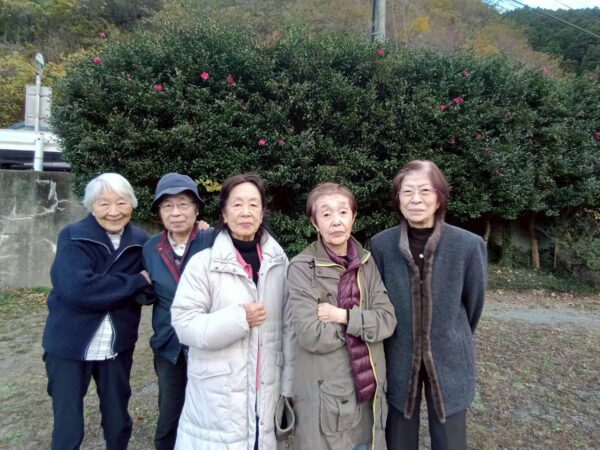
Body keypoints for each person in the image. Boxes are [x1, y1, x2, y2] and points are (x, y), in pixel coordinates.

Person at [171, 173, 295, 449]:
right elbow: (184, 325)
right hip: (219, 396)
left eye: (253, 204)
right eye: (237, 204)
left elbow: (289, 328)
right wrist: (239, 319)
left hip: (267, 390)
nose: (246, 212)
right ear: (224, 214)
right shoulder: (203, 264)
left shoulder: (279, 263)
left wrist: (288, 386)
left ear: (263, 212)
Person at [370, 160, 487, 450]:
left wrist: (449, 332)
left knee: (450, 440)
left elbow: (473, 304)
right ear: (398, 199)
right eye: (407, 191)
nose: (416, 199)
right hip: (398, 354)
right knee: (398, 438)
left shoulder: (468, 246)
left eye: (425, 190)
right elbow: (378, 300)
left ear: (439, 197)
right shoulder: (381, 245)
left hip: (449, 356)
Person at [42, 172, 152, 450]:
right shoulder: (73, 236)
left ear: (132, 204)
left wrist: (126, 287)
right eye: (104, 204)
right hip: (68, 345)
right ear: (91, 206)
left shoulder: (140, 240)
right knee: (68, 426)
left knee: (118, 420)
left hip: (116, 345)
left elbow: (152, 288)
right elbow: (80, 290)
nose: (114, 212)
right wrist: (134, 281)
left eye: (121, 203)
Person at [287, 182, 397, 450]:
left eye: (343, 212)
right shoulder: (302, 267)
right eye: (326, 214)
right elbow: (311, 334)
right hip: (326, 394)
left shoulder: (366, 263)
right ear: (315, 223)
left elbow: (387, 321)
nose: (336, 221)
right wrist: (364, 324)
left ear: (353, 217)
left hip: (368, 391)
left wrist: (343, 316)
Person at [142, 173, 213, 450]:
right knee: (169, 417)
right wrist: (140, 284)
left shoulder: (211, 240)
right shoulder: (151, 247)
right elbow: (148, 293)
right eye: (167, 206)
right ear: (159, 212)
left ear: (196, 210)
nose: (176, 213)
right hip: (168, 344)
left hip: (207, 343)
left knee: (208, 415)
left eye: (183, 204)